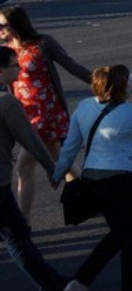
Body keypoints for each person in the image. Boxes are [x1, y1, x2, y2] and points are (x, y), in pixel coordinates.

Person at [50, 65, 132, 291]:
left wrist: (58, 173)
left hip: (92, 179)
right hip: (122, 181)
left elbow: (70, 147)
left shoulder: (83, 107)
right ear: (122, 86)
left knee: (119, 233)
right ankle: (123, 286)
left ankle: (81, 282)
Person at [1, 5, 92, 220]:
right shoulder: (6, 50)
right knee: (62, 162)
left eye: (3, 25)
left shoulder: (43, 44)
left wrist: (101, 84)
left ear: (16, 25)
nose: (0, 29)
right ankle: (92, 198)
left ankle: (23, 221)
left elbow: (71, 65)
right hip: (24, 113)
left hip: (46, 114)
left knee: (24, 167)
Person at [0, 44, 66, 291]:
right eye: (13, 66)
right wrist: (51, 168)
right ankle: (53, 284)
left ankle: (52, 282)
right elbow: (30, 139)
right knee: (18, 239)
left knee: (18, 236)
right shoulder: (7, 102)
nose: (19, 69)